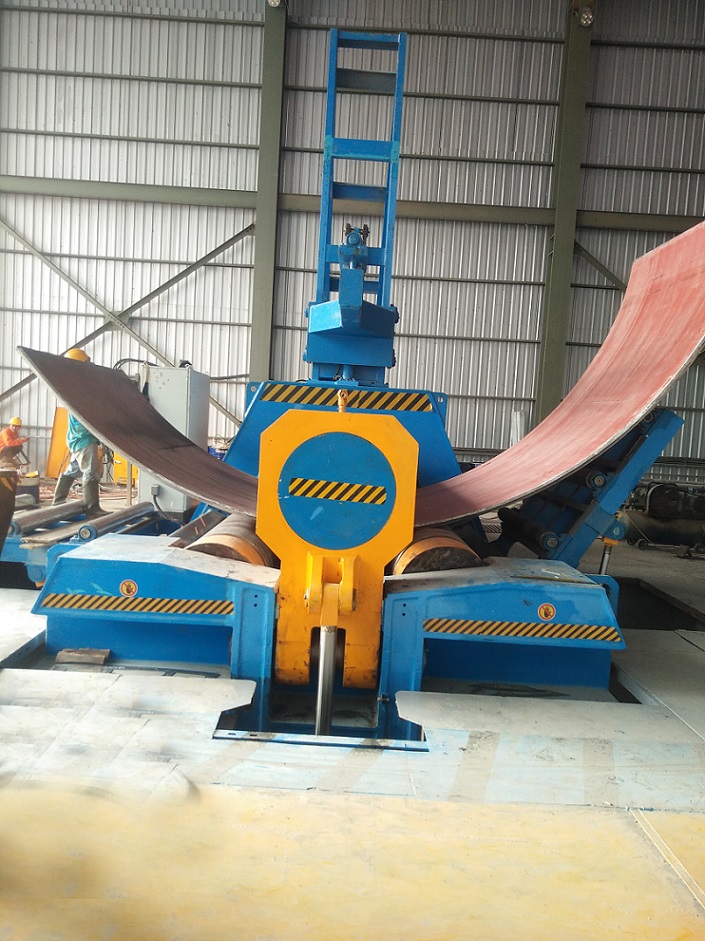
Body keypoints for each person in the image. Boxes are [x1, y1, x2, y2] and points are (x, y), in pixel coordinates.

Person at [52, 349, 105, 516]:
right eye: (86, 363)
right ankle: (92, 507)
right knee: (90, 470)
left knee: (73, 469)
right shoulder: (78, 388)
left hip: (77, 437)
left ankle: (58, 501)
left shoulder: (74, 386)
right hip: (83, 437)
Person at [0, 417, 28, 554]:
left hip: (8, 454)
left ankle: (8, 459)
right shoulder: (5, 432)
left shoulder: (14, 434)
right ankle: (4, 460)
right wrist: (22, 440)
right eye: (14, 426)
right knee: (15, 445)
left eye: (17, 427)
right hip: (2, 451)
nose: (15, 429)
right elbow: (9, 444)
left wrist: (15, 461)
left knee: (18, 446)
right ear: (10, 425)